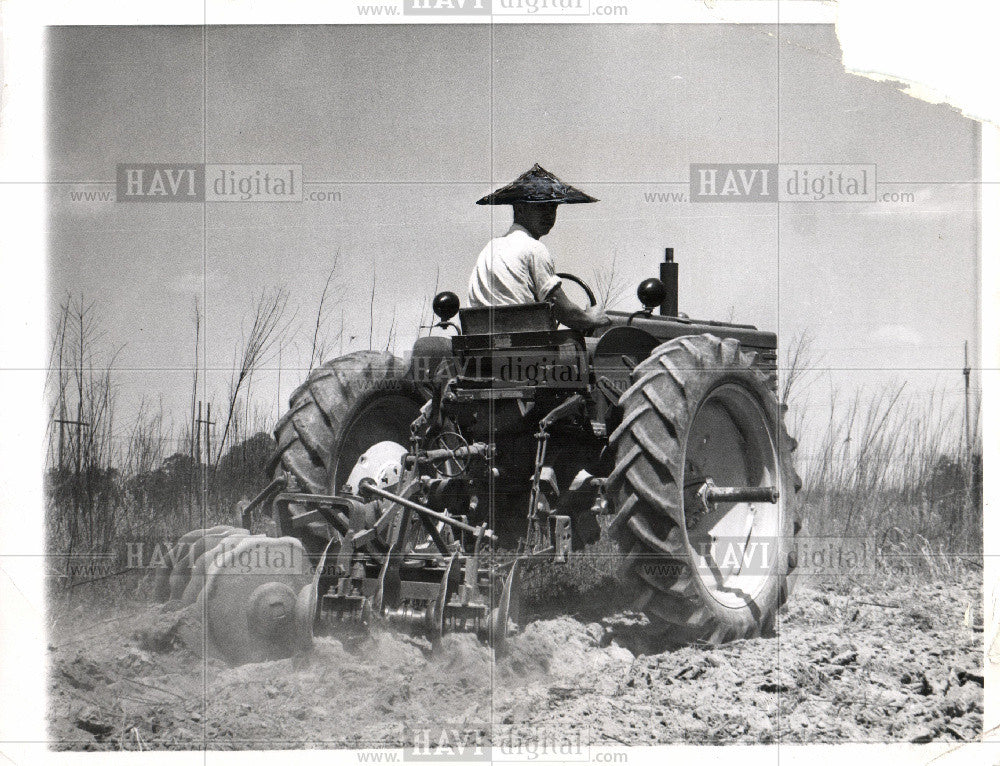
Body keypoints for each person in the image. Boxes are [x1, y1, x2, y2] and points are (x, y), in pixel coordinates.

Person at [469, 164, 610, 332]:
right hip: (527, 346)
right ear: (520, 208)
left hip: (482, 344)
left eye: (553, 207)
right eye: (541, 206)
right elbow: (566, 312)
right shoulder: (533, 249)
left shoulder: (489, 249)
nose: (549, 214)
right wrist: (590, 318)